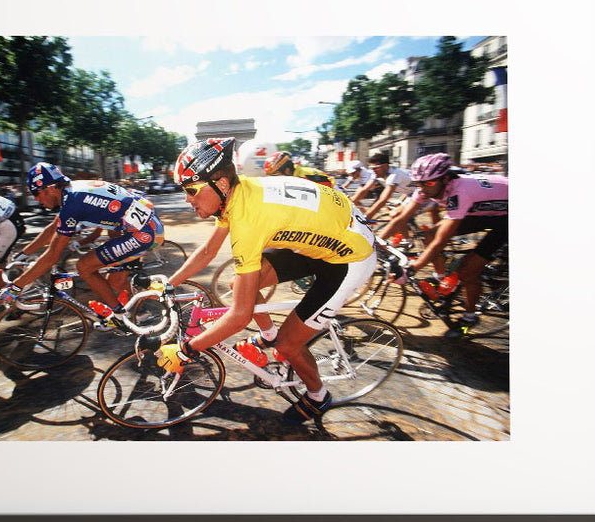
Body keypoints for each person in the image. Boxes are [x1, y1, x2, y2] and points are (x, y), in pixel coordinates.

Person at [157, 138, 377, 422]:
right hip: (324, 238)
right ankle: (269, 334)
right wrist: (169, 283)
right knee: (240, 284)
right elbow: (209, 250)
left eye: (191, 190)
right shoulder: (237, 193)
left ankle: (318, 396)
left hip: (350, 258)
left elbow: (239, 316)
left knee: (288, 346)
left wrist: (187, 351)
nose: (187, 198)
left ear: (221, 184)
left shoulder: (247, 221)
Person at [5, 163, 165, 322]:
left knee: (84, 266)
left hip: (144, 233)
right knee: (114, 280)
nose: (35, 198)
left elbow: (52, 255)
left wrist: (16, 287)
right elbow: (52, 229)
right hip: (144, 228)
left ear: (51, 188)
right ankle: (138, 312)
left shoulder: (71, 204)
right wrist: (22, 254)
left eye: (36, 192)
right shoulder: (72, 191)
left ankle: (119, 317)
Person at [380, 152, 508, 335]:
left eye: (429, 183)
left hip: (507, 219)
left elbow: (441, 241)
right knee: (429, 234)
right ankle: (441, 279)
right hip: (485, 212)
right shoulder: (427, 185)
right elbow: (402, 217)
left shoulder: (460, 191)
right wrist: (375, 243)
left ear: (446, 179)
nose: (422, 189)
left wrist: (412, 268)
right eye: (418, 184)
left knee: (467, 272)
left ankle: (469, 318)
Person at [263, 151, 334, 187]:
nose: (274, 179)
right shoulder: (298, 174)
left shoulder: (303, 180)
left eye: (275, 175)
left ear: (287, 170)